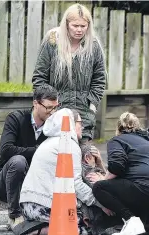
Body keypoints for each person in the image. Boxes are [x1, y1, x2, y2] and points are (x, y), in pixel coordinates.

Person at [92, 112, 149, 235]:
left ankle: (131, 221)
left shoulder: (117, 140)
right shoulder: (147, 142)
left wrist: (103, 180)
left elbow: (117, 167)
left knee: (99, 187)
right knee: (148, 188)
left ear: (118, 128)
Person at [19, 108, 106, 235]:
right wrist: (101, 203)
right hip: (41, 206)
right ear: (70, 123)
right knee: (88, 225)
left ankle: (36, 225)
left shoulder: (49, 141)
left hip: (27, 205)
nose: (82, 127)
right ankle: (41, 230)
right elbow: (76, 184)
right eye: (79, 123)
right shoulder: (68, 145)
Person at [32, 3, 106, 142]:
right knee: (56, 156)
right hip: (54, 113)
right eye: (75, 25)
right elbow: (39, 77)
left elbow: (100, 79)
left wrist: (91, 105)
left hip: (84, 113)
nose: (79, 30)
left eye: (83, 26)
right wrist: (48, 105)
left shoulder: (94, 46)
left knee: (84, 157)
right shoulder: (52, 42)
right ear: (66, 24)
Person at [0, 85, 59, 231]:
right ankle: (15, 215)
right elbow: (6, 150)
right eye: (48, 108)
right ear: (36, 103)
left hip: (35, 185)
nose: (52, 112)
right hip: (4, 184)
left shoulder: (54, 127)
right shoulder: (16, 118)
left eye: (55, 107)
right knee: (18, 161)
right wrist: (38, 151)